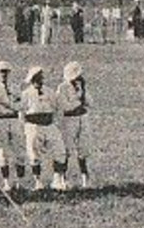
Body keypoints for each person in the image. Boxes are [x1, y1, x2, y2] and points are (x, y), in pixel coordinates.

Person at [21, 66, 68, 191]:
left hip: (49, 125)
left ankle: (57, 180)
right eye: (36, 78)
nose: (39, 80)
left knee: (60, 151)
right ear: (31, 80)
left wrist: (56, 122)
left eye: (41, 77)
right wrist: (26, 128)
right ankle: (38, 181)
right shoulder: (26, 94)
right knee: (34, 154)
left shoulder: (50, 92)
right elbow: (21, 112)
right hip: (33, 126)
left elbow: (57, 107)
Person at [0, 60, 21, 194]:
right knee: (3, 152)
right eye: (1, 72)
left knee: (19, 150)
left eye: (6, 72)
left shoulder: (15, 88)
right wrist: (10, 106)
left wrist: (7, 105)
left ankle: (19, 181)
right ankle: (6, 182)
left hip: (14, 120)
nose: (4, 75)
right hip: (1, 121)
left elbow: (20, 105)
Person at [57, 61, 91, 189]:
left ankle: (85, 178)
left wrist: (83, 91)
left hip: (82, 118)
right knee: (67, 149)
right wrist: (78, 102)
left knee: (83, 149)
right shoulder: (62, 88)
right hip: (69, 120)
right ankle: (62, 179)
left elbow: (90, 103)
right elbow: (65, 106)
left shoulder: (80, 87)